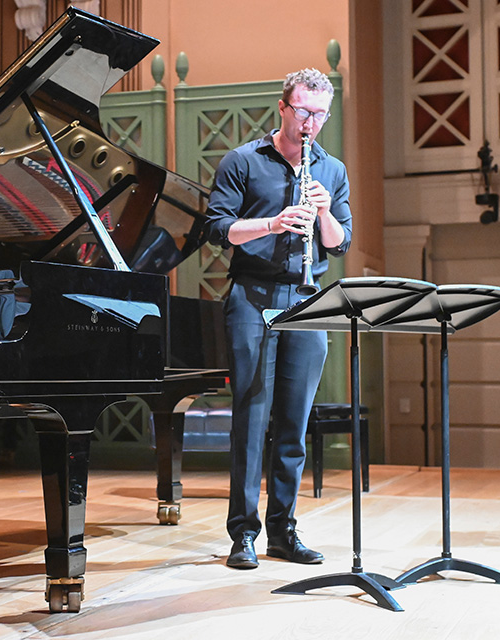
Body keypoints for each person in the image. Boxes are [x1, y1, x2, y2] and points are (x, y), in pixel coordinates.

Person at [202, 69, 352, 569]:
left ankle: (282, 531)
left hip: (307, 300)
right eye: (304, 111)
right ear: (283, 107)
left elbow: (339, 241)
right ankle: (242, 534)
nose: (312, 122)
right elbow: (217, 229)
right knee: (251, 416)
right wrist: (272, 222)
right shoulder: (243, 161)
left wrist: (325, 211)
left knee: (294, 422)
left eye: (320, 114)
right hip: (252, 296)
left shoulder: (331, 169)